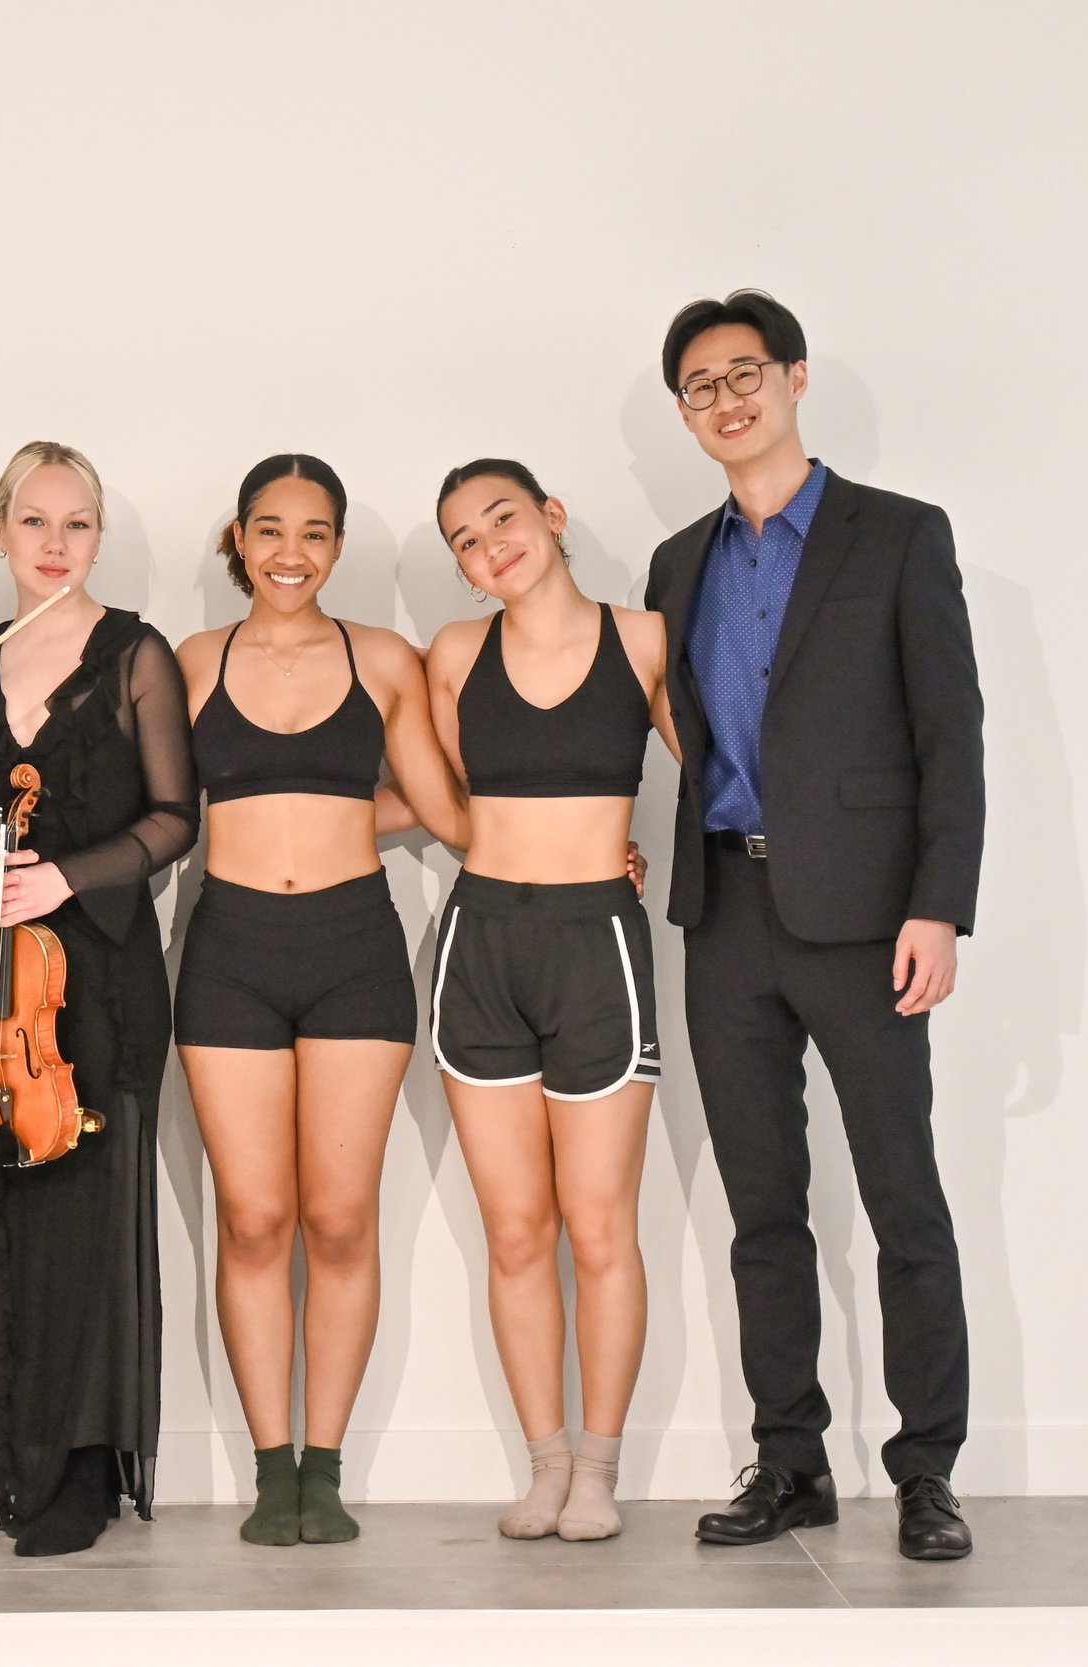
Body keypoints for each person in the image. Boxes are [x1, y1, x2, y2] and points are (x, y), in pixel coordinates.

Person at [644, 290, 983, 1561]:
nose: (724, 401)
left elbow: (951, 734)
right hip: (726, 910)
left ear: (792, 379)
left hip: (865, 917)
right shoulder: (677, 563)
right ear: (685, 415)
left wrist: (938, 904)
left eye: (743, 374)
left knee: (904, 1199)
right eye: (699, 387)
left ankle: (926, 1468)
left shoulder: (897, 535)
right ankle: (789, 1460)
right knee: (762, 1209)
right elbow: (682, 728)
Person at [172, 455, 466, 1545]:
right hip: (229, 950)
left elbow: (441, 805)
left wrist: (582, 850)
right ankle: (270, 1469)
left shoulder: (382, 658)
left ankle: (325, 1467)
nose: (289, 552)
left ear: (337, 547)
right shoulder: (193, 660)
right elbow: (153, 802)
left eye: (313, 532)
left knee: (339, 1219)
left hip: (353, 948)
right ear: (239, 541)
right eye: (269, 529)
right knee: (254, 1219)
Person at [0, 441, 196, 1558]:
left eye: (76, 523)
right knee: (17, 1206)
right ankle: (25, 1463)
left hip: (104, 970)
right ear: (2, 533)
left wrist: (63, 877)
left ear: (99, 537)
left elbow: (176, 818)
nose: (53, 542)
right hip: (0, 980)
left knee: (93, 1205)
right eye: (33, 521)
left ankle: (84, 1468)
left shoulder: (137, 653)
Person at [423, 458, 678, 1543]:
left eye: (504, 518)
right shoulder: (453, 654)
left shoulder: (644, 639)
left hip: (597, 947)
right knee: (516, 1230)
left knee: (600, 1225)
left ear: (552, 515)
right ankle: (545, 1464)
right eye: (466, 541)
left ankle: (600, 1469)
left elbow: (726, 767)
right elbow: (445, 800)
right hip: (481, 944)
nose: (491, 546)